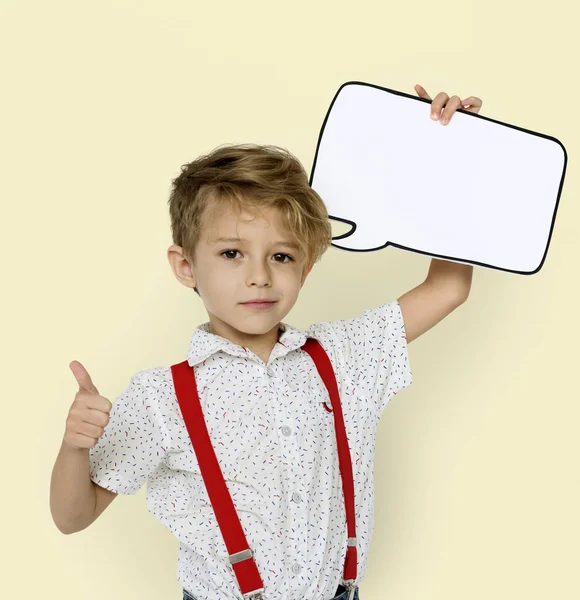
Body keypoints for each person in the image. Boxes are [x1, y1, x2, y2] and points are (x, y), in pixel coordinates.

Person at [50, 85, 483, 600]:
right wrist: (74, 447)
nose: (259, 276)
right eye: (232, 253)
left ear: (307, 264)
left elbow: (448, 287)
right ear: (185, 265)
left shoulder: (344, 357)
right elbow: (73, 517)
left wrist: (460, 152)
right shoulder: (160, 398)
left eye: (281, 256)